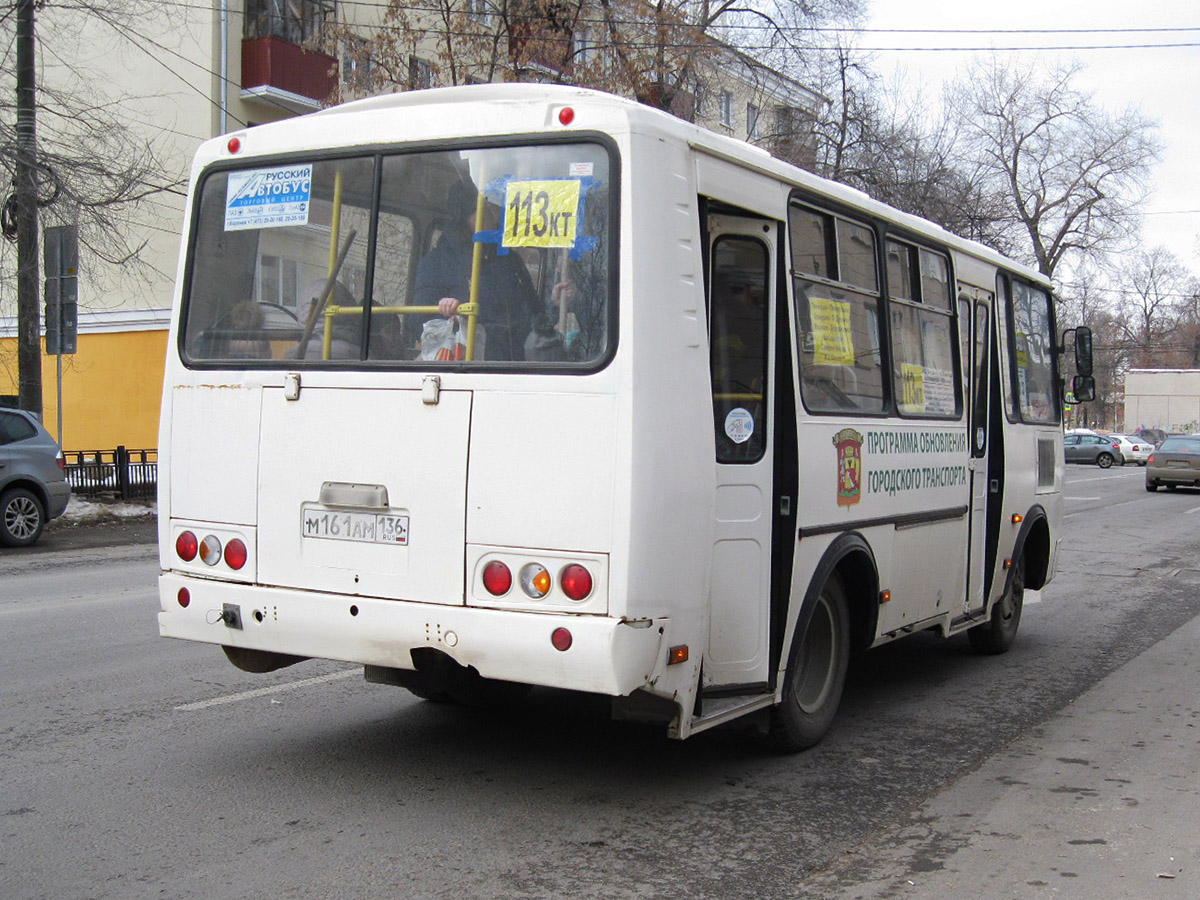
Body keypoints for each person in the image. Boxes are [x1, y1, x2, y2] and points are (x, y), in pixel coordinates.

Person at [412, 181, 539, 361]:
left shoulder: (510, 260)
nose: (495, 219)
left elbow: (534, 314)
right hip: (465, 367)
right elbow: (418, 323)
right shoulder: (436, 263)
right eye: (487, 210)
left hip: (512, 365)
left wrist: (555, 304)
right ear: (467, 216)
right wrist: (446, 311)